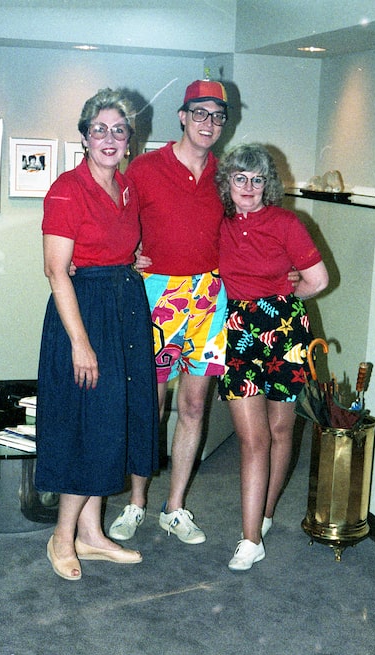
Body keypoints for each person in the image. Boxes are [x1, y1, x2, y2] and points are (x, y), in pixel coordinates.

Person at [36, 87, 159, 581]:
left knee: (114, 422)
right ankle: (62, 537)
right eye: (99, 129)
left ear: (130, 139)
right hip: (84, 316)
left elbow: (110, 244)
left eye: (119, 130)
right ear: (85, 136)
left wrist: (128, 262)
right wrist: (80, 343)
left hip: (123, 308)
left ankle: (91, 534)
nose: (109, 138)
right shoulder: (68, 187)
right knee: (90, 424)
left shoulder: (126, 188)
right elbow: (56, 270)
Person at [108, 79, 230, 545]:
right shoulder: (144, 168)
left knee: (196, 404)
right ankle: (137, 502)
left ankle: (174, 507)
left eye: (217, 116)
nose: (208, 123)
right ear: (182, 117)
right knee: (150, 405)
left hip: (209, 297)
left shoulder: (224, 174)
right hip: (157, 295)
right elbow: (119, 221)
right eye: (200, 113)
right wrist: (129, 254)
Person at [215, 143, 329, 571]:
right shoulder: (219, 223)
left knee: (282, 431)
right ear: (227, 182)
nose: (248, 187)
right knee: (252, 438)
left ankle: (263, 514)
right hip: (239, 333)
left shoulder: (286, 222)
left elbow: (318, 279)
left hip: (284, 330)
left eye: (257, 179)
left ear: (269, 185)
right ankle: (250, 539)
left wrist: (280, 299)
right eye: (240, 178)